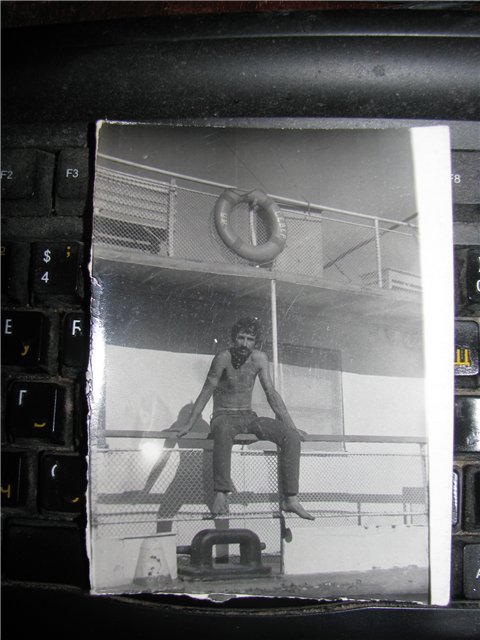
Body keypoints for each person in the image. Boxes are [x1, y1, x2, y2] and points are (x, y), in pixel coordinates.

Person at [176, 316, 314, 520]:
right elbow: (206, 390)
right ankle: (221, 493)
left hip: (248, 416)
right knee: (223, 430)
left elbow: (271, 393)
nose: (244, 343)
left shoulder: (259, 359)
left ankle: (290, 499)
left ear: (255, 342)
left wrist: (291, 426)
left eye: (250, 339)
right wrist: (189, 423)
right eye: (241, 338)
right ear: (234, 339)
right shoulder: (223, 358)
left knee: (290, 437)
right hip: (223, 416)